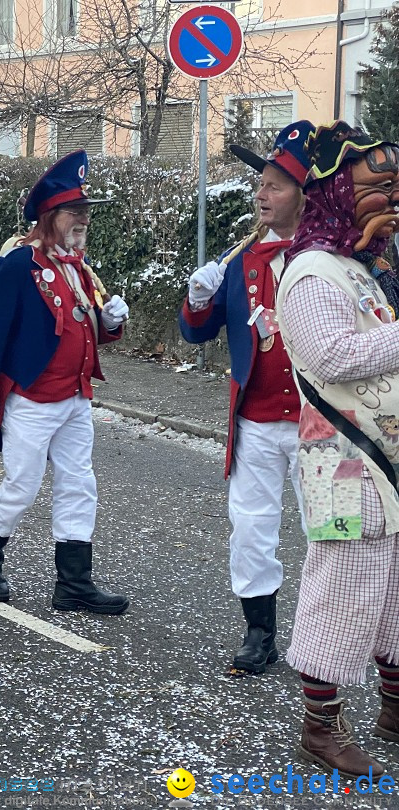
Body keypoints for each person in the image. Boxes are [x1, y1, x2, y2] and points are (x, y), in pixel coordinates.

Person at [275, 121, 399, 780]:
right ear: (336, 191)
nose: (393, 199)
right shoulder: (312, 273)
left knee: (396, 593)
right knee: (344, 592)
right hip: (344, 468)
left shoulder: (364, 267)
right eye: (379, 186)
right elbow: (331, 355)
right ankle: (320, 730)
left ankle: (395, 709)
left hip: (390, 461)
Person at [0, 149, 130, 610]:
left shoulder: (78, 266)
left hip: (76, 395)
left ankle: (73, 583)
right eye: (75, 213)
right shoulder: (18, 265)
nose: (83, 221)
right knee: (23, 484)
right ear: (49, 216)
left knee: (79, 482)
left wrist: (110, 322)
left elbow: (83, 326)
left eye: (85, 213)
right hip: (32, 398)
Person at [179, 120, 313, 676]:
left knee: (331, 531)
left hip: (319, 422)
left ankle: (335, 631)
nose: (260, 194)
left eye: (275, 186)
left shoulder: (333, 254)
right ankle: (260, 632)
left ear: (305, 197)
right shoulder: (243, 258)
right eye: (259, 184)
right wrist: (197, 297)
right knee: (252, 529)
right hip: (254, 420)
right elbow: (197, 333)